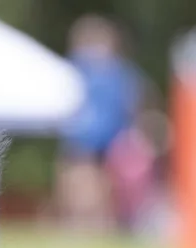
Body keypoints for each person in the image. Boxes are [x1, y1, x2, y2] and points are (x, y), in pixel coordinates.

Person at [55, 14, 143, 233]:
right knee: (81, 190)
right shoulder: (79, 70)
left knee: (95, 192)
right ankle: (83, 227)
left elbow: (132, 104)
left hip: (105, 143)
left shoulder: (116, 73)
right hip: (83, 141)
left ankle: (94, 228)